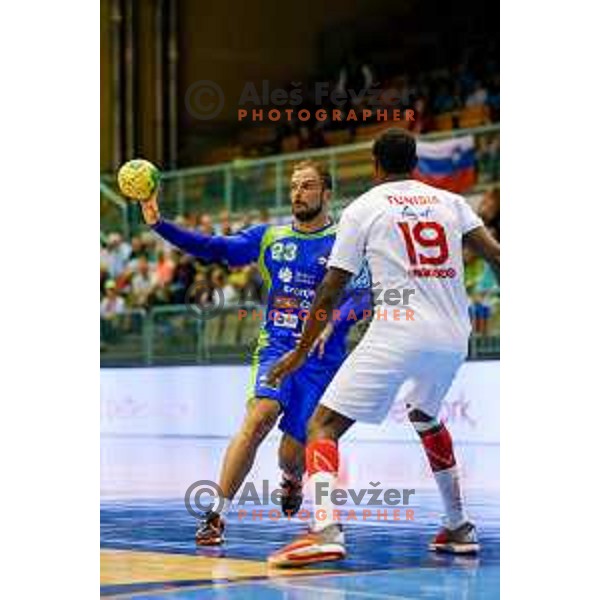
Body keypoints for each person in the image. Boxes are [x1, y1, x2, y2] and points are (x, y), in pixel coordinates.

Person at [266, 129, 500, 567]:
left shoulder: (364, 207)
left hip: (399, 330)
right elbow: (497, 256)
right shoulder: (450, 201)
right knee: (425, 415)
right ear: (416, 164)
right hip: (454, 335)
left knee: (323, 425)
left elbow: (332, 287)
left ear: (375, 165)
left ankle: (324, 531)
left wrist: (299, 351)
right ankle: (459, 525)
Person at [138, 159, 370, 545]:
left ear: (327, 194)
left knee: (291, 452)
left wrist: (336, 320)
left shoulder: (345, 240)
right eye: (294, 186)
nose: (298, 193)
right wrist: (158, 224)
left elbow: (366, 295)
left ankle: (292, 479)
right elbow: (214, 248)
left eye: (308, 186)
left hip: (321, 360)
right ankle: (216, 516)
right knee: (259, 416)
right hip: (277, 346)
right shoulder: (270, 238)